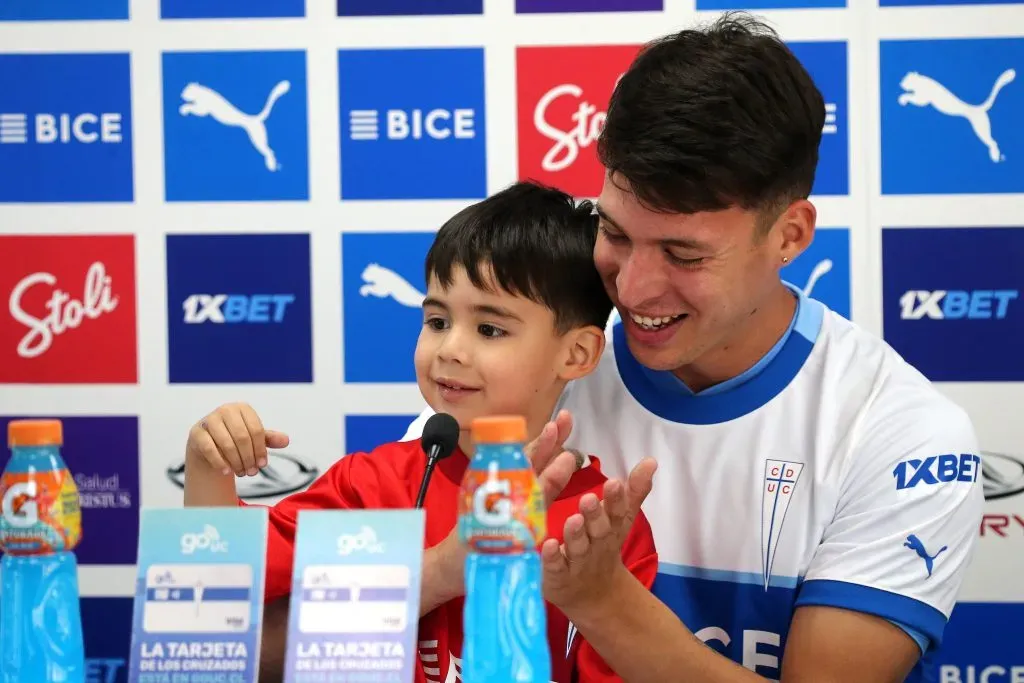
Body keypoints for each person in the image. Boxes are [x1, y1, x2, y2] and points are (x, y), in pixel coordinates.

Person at [401, 11, 984, 683]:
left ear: (789, 237)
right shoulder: (527, 374)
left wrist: (604, 601)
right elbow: (317, 637)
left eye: (683, 253)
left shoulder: (897, 432)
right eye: (615, 234)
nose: (634, 286)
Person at [182, 181, 658, 683]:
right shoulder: (371, 484)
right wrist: (206, 464)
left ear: (577, 354)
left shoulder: (601, 525)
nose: (449, 348)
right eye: (436, 320)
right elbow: (221, 599)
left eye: (489, 329)